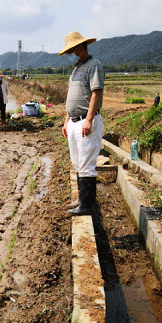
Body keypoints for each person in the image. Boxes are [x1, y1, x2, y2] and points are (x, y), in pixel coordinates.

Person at [58, 31, 104, 215]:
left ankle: (87, 206)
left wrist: (89, 120)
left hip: (86, 121)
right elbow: (72, 96)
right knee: (77, 163)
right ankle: (81, 200)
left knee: (86, 164)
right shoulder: (77, 68)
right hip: (74, 122)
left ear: (81, 46)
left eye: (74, 49)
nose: (72, 53)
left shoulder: (94, 65)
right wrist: (66, 120)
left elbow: (96, 92)